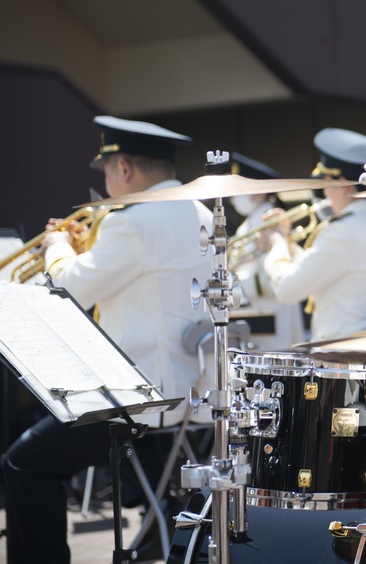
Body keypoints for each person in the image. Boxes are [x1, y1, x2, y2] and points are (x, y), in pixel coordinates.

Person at [1, 115, 215, 564]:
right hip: (186, 392)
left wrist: (57, 244)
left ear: (123, 169)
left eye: (107, 171)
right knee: (156, 478)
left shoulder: (132, 221)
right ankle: (166, 530)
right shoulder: (199, 212)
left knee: (23, 464)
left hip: (135, 398)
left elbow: (71, 288)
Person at [261, 128, 366, 342]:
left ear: (343, 185)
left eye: (326, 184)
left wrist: (276, 244)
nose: (325, 192)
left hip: (340, 352)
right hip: (361, 347)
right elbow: (320, 269)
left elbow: (287, 290)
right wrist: (288, 242)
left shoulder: (343, 231)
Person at [227, 152, 307, 351]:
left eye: (240, 189)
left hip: (274, 323)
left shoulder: (269, 222)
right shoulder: (249, 224)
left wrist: (238, 286)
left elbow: (277, 274)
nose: (234, 196)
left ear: (257, 191)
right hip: (255, 319)